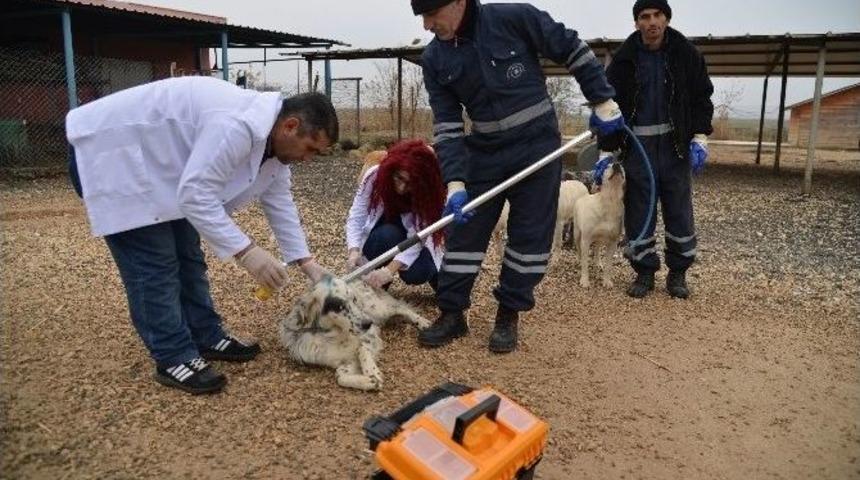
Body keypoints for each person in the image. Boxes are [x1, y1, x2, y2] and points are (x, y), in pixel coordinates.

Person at [66, 77, 338, 394]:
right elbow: (196, 196)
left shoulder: (273, 148)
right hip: (114, 158)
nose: (307, 159)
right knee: (156, 265)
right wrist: (247, 252)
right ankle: (173, 355)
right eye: (310, 149)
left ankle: (206, 335)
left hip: (165, 171)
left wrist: (307, 263)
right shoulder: (237, 125)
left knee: (189, 257)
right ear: (290, 126)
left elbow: (279, 202)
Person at [410, 0, 626, 353]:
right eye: (422, 17)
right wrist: (455, 182)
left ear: (459, 2)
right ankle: (452, 313)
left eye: (432, 14)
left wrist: (602, 101)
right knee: (464, 233)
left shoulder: (514, 18)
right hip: (484, 152)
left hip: (537, 148)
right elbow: (448, 126)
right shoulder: (435, 59)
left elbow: (571, 47)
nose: (427, 25)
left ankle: (508, 315)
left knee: (529, 238)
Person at [604, 0, 714, 299]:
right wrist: (606, 151)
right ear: (636, 22)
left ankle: (678, 273)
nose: (651, 22)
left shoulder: (687, 54)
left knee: (679, 210)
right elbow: (609, 109)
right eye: (644, 17)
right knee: (639, 211)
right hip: (637, 148)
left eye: (657, 15)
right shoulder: (623, 60)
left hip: (674, 146)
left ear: (666, 18)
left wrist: (700, 136)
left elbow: (702, 96)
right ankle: (644, 272)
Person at [346, 140, 445, 290]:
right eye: (399, 178)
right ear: (391, 169)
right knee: (387, 235)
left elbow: (419, 237)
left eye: (410, 183)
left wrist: (388, 271)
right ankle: (377, 282)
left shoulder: (425, 193)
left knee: (418, 272)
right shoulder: (374, 176)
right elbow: (357, 215)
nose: (402, 187)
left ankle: (438, 274)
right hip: (384, 233)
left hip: (415, 240)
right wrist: (353, 251)